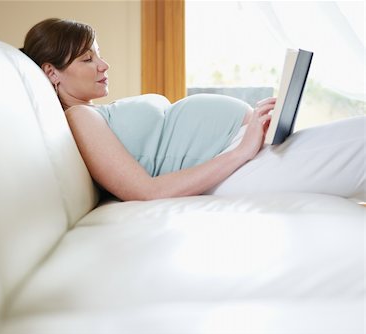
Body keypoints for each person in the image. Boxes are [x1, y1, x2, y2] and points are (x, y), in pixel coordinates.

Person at [22, 18, 365, 202]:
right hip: (235, 168)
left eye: (98, 54)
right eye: (88, 59)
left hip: (243, 156)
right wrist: (241, 151)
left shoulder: (97, 113)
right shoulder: (78, 118)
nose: (103, 65)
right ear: (51, 71)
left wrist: (251, 126)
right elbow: (146, 191)